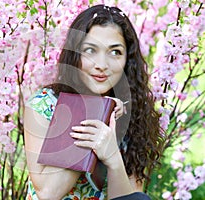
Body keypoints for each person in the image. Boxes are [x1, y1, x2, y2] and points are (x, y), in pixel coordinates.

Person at [24, 4, 165, 200]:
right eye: (90, 50)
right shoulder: (44, 105)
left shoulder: (130, 112)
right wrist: (94, 115)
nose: (101, 65)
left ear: (128, 60)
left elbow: (131, 197)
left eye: (115, 52)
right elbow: (48, 193)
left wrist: (113, 156)